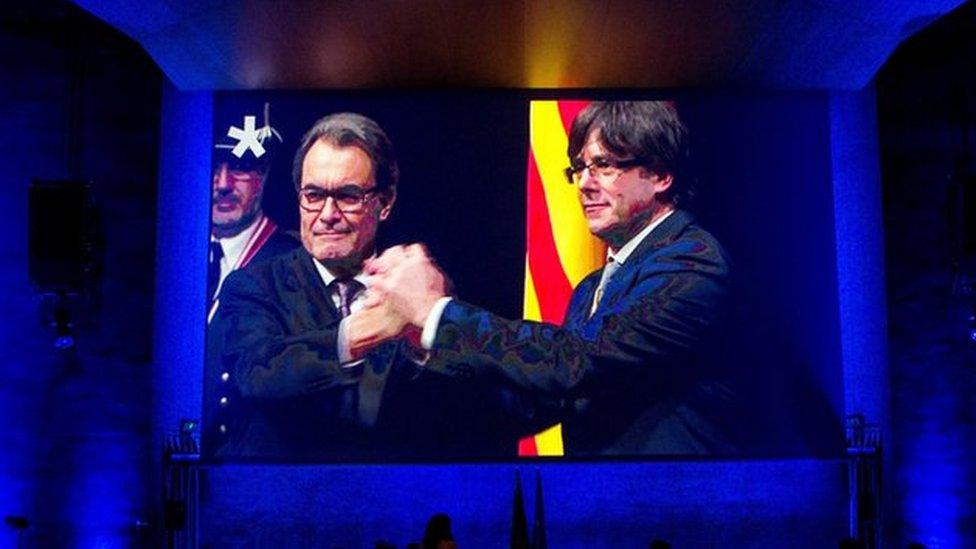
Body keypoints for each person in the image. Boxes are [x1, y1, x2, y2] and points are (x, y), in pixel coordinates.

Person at [355, 101, 738, 456]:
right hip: (599, 504)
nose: (584, 184)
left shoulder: (692, 262)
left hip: (681, 510)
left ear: (660, 174)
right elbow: (532, 403)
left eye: (604, 165)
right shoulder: (591, 288)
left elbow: (577, 362)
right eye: (579, 168)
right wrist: (422, 335)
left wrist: (439, 312)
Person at [205, 112, 510, 459]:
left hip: (392, 498)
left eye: (348, 196)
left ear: (385, 201)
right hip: (285, 503)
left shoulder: (416, 286)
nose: (328, 213)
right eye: (314, 195)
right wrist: (361, 334)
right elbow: (258, 373)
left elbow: (459, 405)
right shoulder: (252, 286)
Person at [207, 103, 298, 321]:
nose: (223, 184)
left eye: (239, 168)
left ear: (263, 175)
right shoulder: (174, 253)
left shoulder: (292, 263)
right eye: (213, 166)